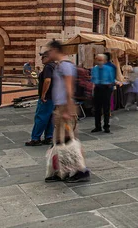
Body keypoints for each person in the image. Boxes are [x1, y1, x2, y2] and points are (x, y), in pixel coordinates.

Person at [47, 40, 90, 183]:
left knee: (69, 141)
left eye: (50, 51)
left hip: (64, 108)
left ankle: (81, 171)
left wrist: (68, 109)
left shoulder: (65, 66)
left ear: (55, 50)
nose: (49, 54)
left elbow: (69, 88)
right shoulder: (60, 66)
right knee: (60, 141)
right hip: (60, 107)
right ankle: (62, 171)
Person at [26, 50, 55, 146]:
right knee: (50, 118)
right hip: (54, 96)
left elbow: (47, 80)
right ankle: (48, 137)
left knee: (41, 117)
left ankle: (35, 138)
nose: (41, 59)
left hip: (47, 97)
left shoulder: (48, 67)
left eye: (43, 57)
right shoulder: (55, 66)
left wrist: (43, 94)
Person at [91, 54, 116, 133]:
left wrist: (109, 84)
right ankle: (97, 126)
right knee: (97, 109)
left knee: (106, 108)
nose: (98, 61)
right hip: (97, 88)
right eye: (97, 59)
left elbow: (112, 79)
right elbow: (93, 79)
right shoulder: (94, 69)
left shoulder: (109, 69)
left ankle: (106, 126)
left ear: (104, 61)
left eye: (100, 60)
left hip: (106, 89)